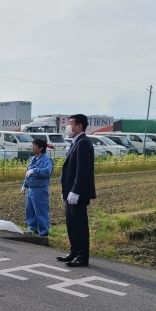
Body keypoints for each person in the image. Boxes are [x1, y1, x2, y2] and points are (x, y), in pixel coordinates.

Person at [57, 114, 96, 267]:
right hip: (70, 192)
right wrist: (65, 190)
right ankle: (74, 251)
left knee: (79, 224)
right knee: (71, 223)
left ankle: (82, 256)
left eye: (71, 123)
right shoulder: (75, 142)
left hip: (77, 193)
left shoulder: (83, 143)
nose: (68, 126)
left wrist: (75, 191)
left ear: (79, 126)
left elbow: (82, 171)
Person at [22, 138, 54, 236]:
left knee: (41, 210)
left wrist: (35, 170)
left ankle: (44, 232)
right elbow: (28, 174)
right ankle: (33, 227)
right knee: (30, 210)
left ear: (41, 148)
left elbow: (47, 172)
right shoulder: (32, 159)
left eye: (35, 146)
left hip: (40, 189)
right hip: (31, 189)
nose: (33, 148)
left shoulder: (46, 159)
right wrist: (25, 185)